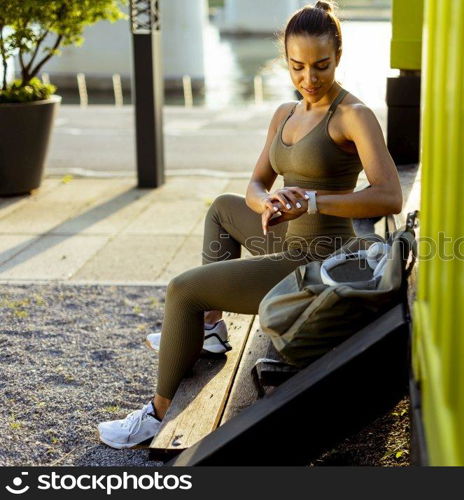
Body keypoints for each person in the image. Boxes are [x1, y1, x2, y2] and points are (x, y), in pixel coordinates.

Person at [97, 0, 402, 449]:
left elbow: (388, 194)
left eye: (321, 66)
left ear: (338, 55)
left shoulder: (353, 115)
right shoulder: (285, 113)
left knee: (184, 291)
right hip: (286, 233)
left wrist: (313, 201)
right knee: (221, 208)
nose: (309, 79)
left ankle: (155, 416)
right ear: (285, 59)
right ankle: (213, 329)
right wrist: (268, 203)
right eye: (297, 66)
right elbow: (255, 184)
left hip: (316, 261)